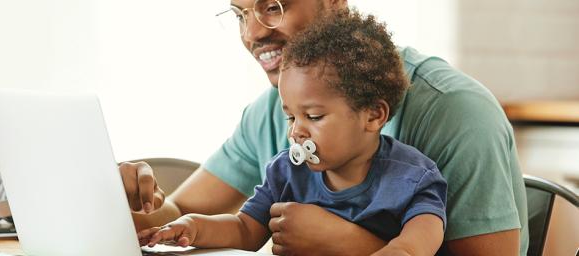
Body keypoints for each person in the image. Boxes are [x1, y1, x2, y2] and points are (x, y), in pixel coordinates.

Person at [119, 0, 528, 255]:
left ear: (374, 116)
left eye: (274, 4)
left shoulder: (451, 120)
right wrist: (125, 204)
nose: (253, 31)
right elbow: (188, 217)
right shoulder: (274, 121)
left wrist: (346, 243)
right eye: (241, 12)